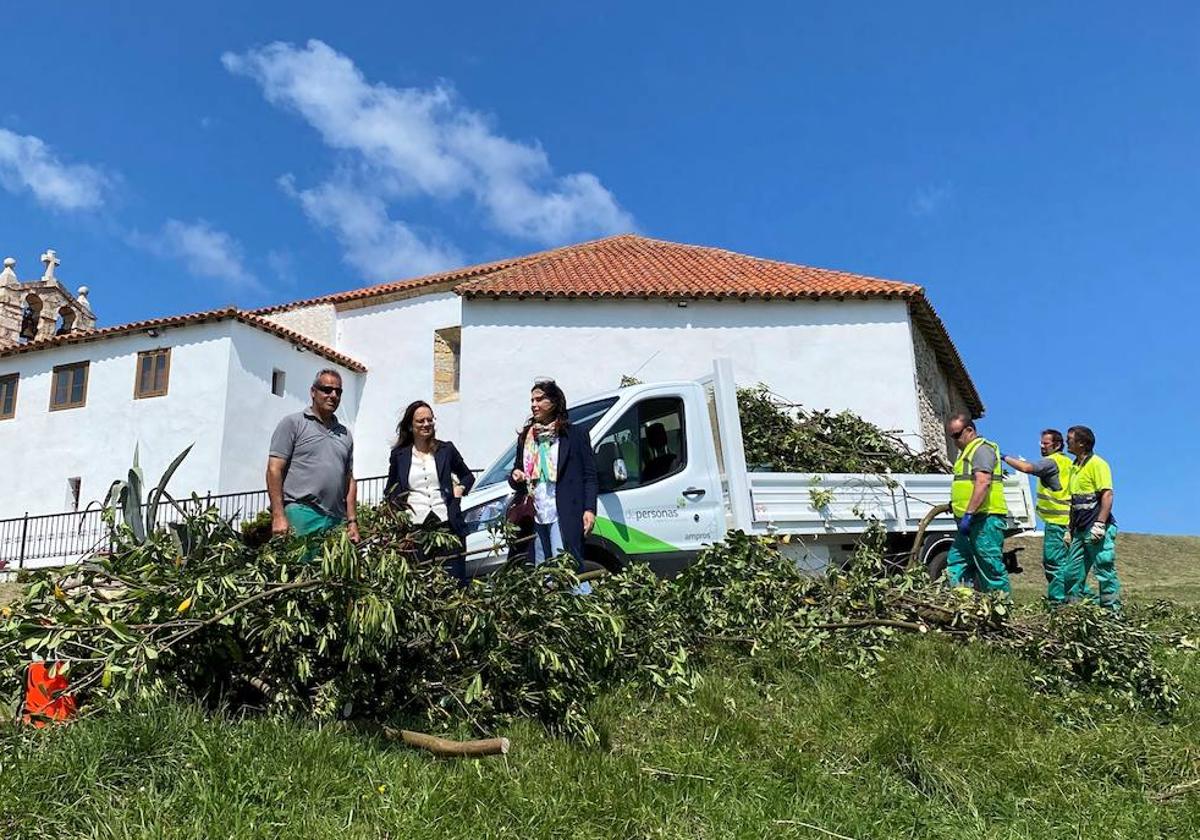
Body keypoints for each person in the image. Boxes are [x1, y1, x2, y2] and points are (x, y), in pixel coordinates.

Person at [508, 379, 598, 592]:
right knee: (543, 575)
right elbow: (515, 476)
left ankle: (583, 614)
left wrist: (590, 509)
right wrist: (517, 476)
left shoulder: (575, 435)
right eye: (532, 400)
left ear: (555, 402)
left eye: (539, 399)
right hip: (537, 513)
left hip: (563, 512)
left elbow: (590, 476)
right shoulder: (528, 437)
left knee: (567, 571)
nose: (534, 404)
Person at [385, 400, 476, 582]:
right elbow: (391, 490)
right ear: (411, 426)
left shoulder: (446, 449)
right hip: (415, 529)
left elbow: (468, 476)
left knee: (452, 581)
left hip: (447, 524)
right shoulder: (400, 455)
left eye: (430, 419)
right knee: (421, 584)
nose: (427, 424)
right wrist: (398, 517)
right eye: (421, 421)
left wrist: (459, 489)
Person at [266, 369, 359, 544]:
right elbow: (274, 469)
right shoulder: (293, 424)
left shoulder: (345, 434)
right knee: (298, 570)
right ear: (313, 392)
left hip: (335, 520)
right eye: (327, 389)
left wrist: (352, 521)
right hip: (301, 513)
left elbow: (349, 480)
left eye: (338, 391)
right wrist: (278, 515)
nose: (333, 395)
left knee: (332, 572)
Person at [1002, 429, 1072, 605]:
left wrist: (1003, 457)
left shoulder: (1051, 462)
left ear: (1056, 445)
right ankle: (1077, 602)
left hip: (1057, 523)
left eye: (1045, 443)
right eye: (1040, 443)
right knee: (1067, 566)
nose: (1041, 446)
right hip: (1067, 522)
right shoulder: (1067, 462)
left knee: (1054, 565)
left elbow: (1027, 468)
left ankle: (1058, 606)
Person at [944, 413, 1010, 596]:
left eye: (957, 435)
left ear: (970, 430)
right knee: (956, 564)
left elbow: (983, 483)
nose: (954, 441)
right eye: (951, 437)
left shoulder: (981, 450)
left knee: (991, 568)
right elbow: (966, 484)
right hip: (969, 521)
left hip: (984, 521)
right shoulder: (966, 453)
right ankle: (963, 606)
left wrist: (969, 514)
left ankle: (1001, 612)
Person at [1061, 425, 1121, 610]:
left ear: (1081, 443)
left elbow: (1107, 495)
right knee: (1071, 573)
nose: (1066, 442)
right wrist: (1068, 530)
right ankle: (1074, 612)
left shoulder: (1098, 464)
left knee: (1104, 569)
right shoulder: (1074, 467)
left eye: (1069, 439)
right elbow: (1075, 501)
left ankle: (1112, 612)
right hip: (1079, 529)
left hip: (1095, 527)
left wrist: (1100, 524)